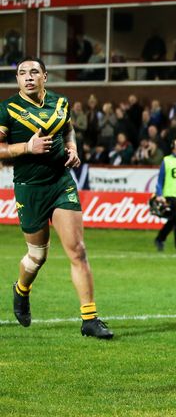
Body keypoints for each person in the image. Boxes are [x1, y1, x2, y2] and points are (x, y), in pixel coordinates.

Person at [0, 56, 113, 339]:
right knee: (37, 256)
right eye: (22, 73)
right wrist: (27, 147)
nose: (28, 77)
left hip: (61, 183)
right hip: (29, 188)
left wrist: (72, 148)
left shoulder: (61, 102)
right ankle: (21, 289)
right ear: (17, 79)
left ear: (45, 77)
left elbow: (67, 129)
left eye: (34, 72)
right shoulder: (7, 109)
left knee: (78, 250)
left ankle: (90, 319)